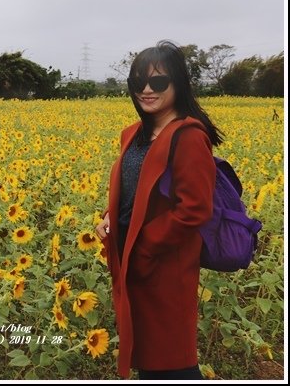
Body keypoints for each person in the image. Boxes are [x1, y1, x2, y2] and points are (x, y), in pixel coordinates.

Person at [95, 40, 223, 380]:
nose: (147, 89)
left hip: (164, 264)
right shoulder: (135, 134)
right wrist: (111, 217)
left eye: (158, 82)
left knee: (171, 362)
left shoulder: (189, 136)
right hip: (132, 258)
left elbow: (194, 209)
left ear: (178, 83)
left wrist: (146, 246)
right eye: (138, 82)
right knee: (147, 359)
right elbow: (134, 191)